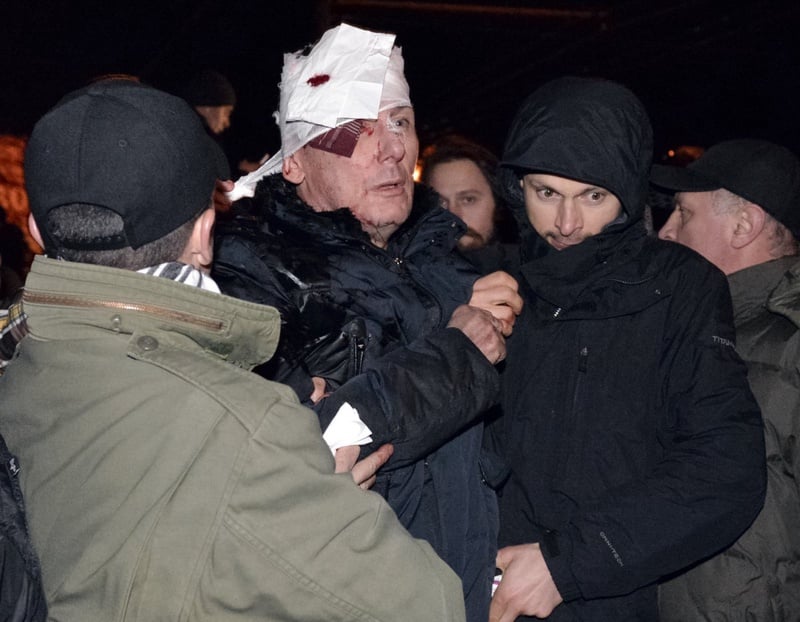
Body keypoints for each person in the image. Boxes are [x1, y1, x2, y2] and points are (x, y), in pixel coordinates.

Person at [0, 79, 467, 621]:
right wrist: (325, 503)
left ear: (35, 230)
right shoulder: (247, 426)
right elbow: (429, 604)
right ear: (203, 233)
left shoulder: (19, 366)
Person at [214, 23, 522, 622]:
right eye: (355, 129)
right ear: (297, 164)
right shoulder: (250, 282)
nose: (391, 148)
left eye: (400, 122)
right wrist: (457, 351)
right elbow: (275, 464)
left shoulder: (448, 266)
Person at [488, 76, 766, 621]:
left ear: (629, 194)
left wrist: (568, 565)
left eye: (593, 196)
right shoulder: (485, 283)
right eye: (546, 193)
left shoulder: (681, 287)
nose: (567, 224)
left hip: (606, 597)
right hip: (475, 587)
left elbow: (726, 468)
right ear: (516, 186)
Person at [654, 138, 800, 620]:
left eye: (684, 214)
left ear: (743, 225)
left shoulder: (791, 345)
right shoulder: (694, 332)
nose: (666, 232)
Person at [421, 134, 518, 273]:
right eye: (440, 203)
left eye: (468, 200)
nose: (454, 216)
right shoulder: (407, 283)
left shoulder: (536, 281)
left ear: (497, 203)